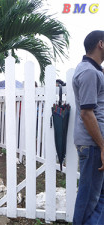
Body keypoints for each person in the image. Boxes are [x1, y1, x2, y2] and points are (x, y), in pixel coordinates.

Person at [72, 30, 104, 225]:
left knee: (98, 196)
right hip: (93, 145)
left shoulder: (94, 70)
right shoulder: (88, 72)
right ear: (101, 44)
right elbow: (86, 113)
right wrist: (102, 147)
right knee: (89, 200)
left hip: (96, 145)